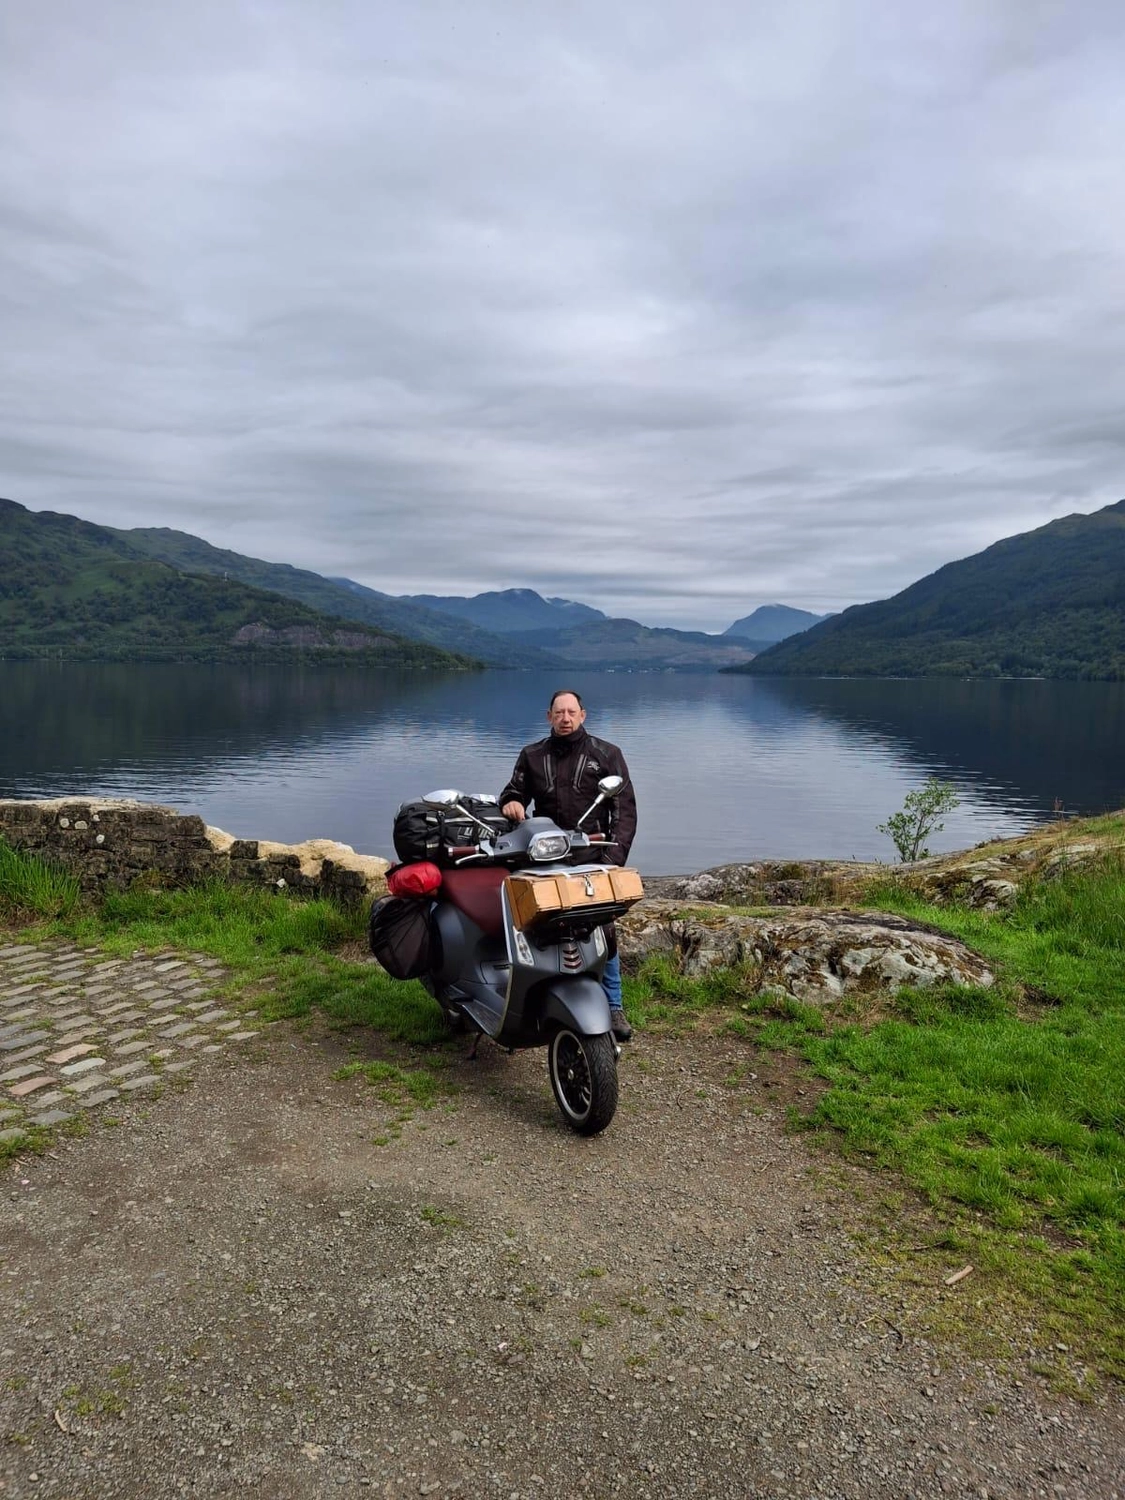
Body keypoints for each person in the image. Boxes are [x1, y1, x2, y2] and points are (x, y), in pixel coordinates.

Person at [499, 689, 637, 1041]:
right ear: (549, 717)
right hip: (543, 857)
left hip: (592, 858)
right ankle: (535, 994)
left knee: (603, 928)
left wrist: (611, 861)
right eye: (558, 712)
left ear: (583, 715)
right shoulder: (532, 756)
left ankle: (614, 1003)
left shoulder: (607, 755)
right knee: (530, 922)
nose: (565, 718)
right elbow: (512, 792)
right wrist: (512, 804)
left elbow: (624, 814)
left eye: (571, 712)